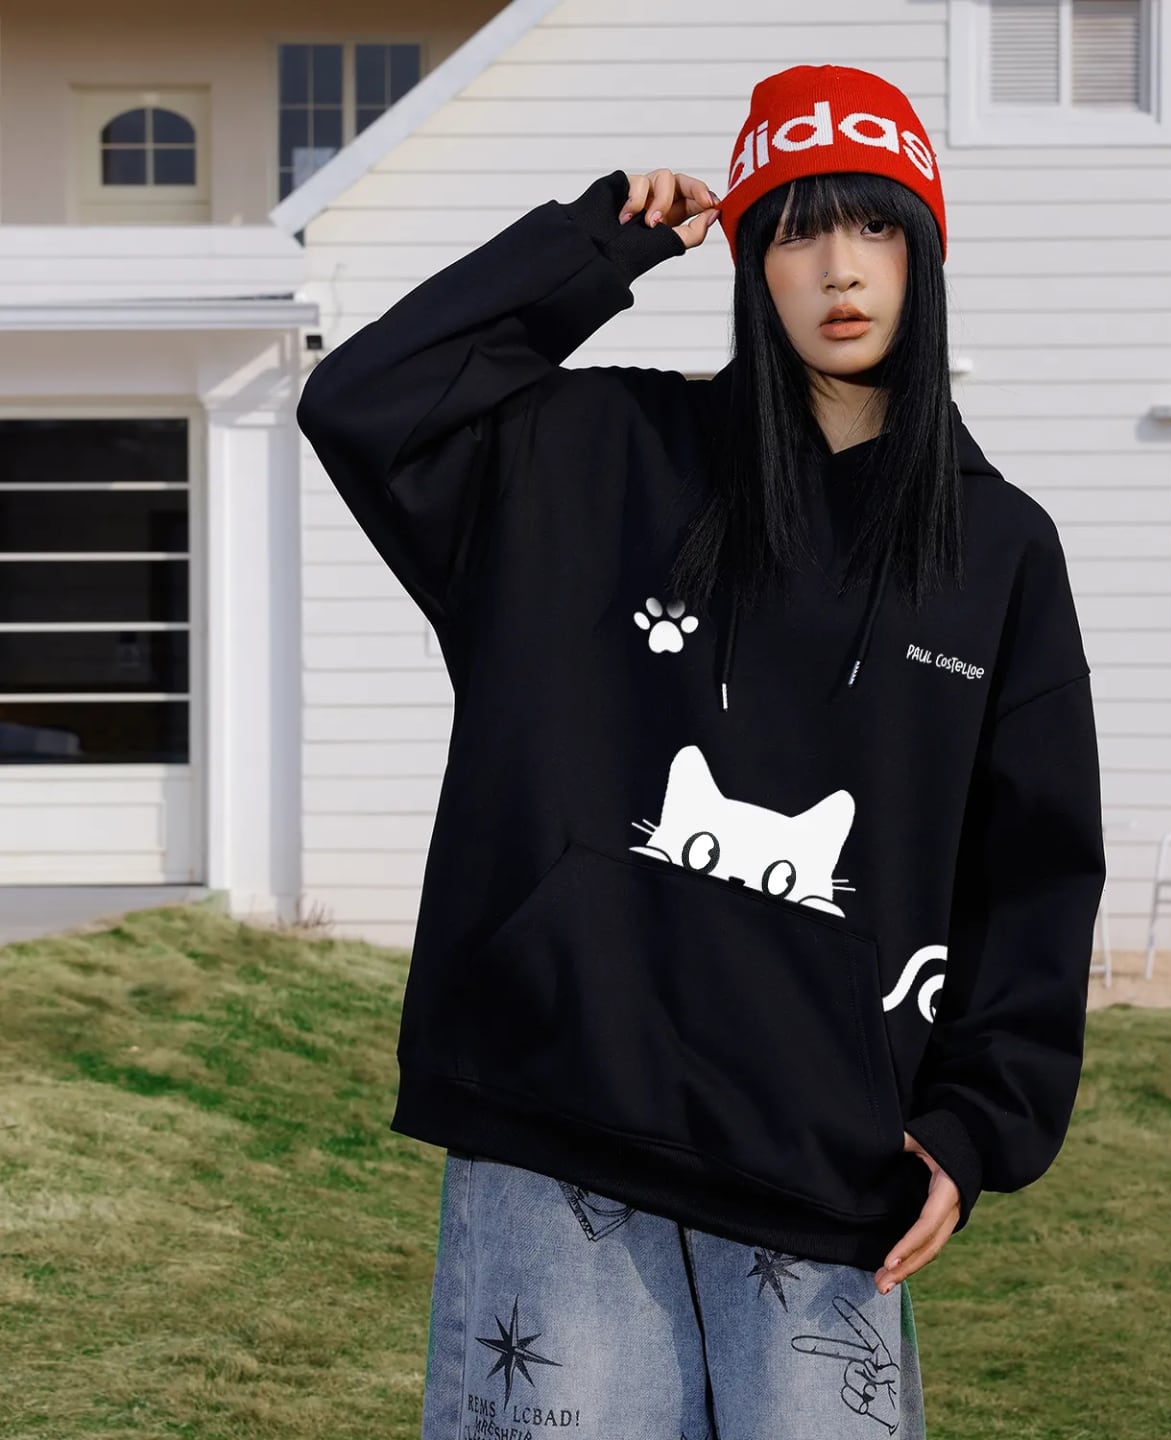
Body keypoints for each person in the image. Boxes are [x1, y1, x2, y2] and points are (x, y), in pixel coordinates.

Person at [297, 62, 1106, 1440]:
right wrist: (592, 247)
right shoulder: (602, 455)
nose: (840, 268)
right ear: (748, 261)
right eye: (795, 230)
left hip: (823, 1163)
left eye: (877, 224)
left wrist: (979, 1126)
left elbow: (1033, 869)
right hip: (557, 1126)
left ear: (925, 254)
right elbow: (370, 400)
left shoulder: (997, 550)